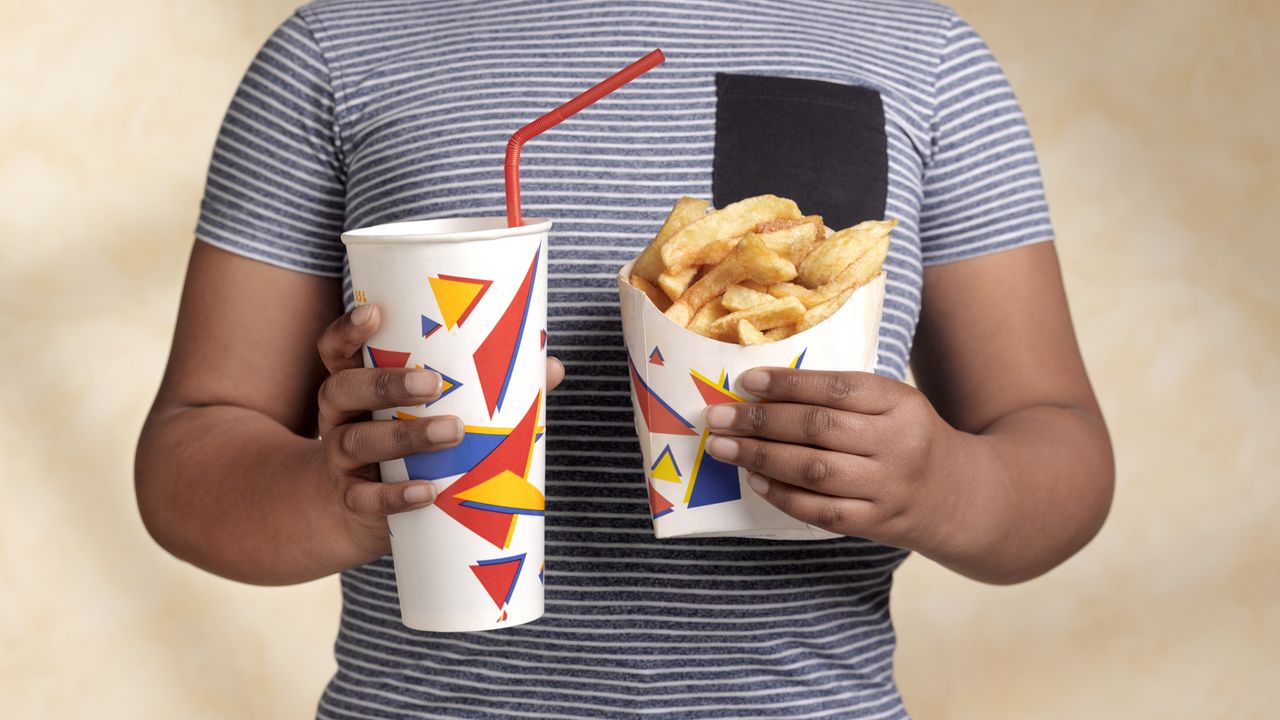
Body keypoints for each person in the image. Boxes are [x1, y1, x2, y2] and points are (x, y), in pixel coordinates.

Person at [135, 1, 1114, 717]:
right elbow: (190, 455)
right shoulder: (335, 51)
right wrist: (331, 492)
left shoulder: (922, 55)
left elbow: (1054, 442)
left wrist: (942, 484)